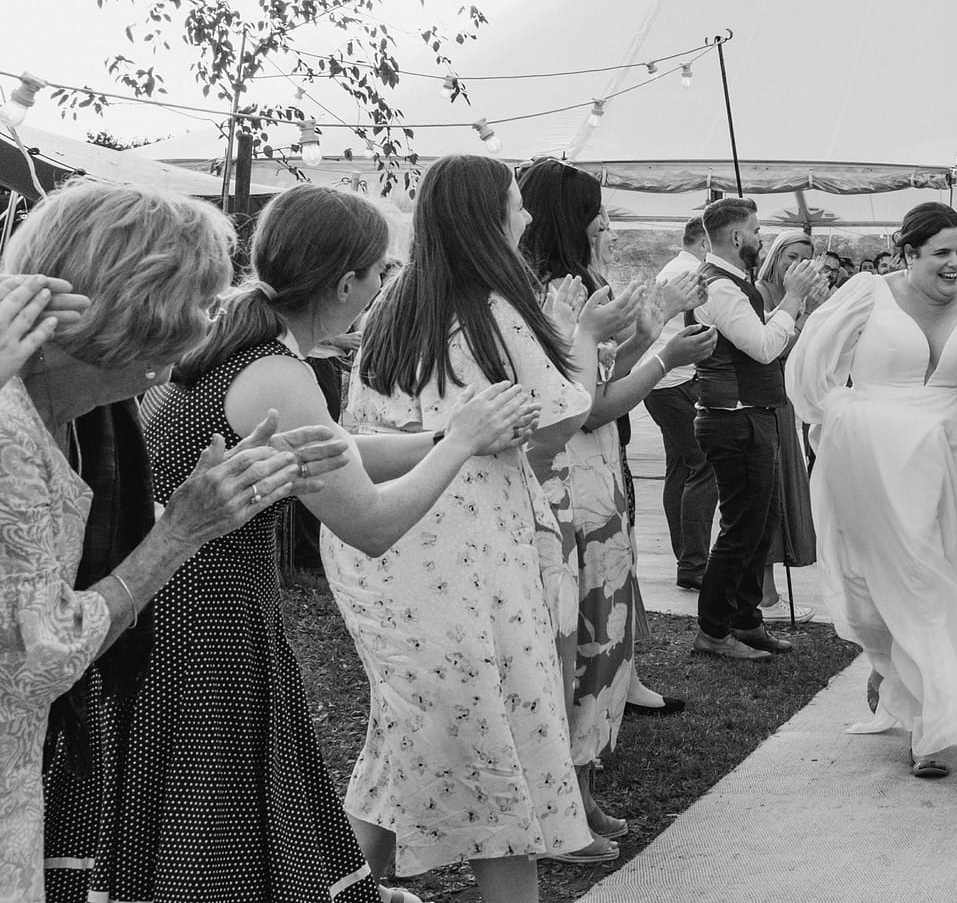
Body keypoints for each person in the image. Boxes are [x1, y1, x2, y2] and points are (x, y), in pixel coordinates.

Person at [43, 183, 535, 903]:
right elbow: (369, 524)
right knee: (209, 829)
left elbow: (331, 451)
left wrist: (437, 438)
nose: (384, 287)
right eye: (381, 272)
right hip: (201, 627)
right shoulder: (276, 372)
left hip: (177, 612)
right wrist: (460, 444)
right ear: (345, 285)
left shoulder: (239, 343)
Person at [1, 182, 338, 903]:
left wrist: (221, 491)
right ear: (146, 316)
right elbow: (45, 654)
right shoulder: (11, 432)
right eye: (204, 302)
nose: (212, 320)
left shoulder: (79, 409)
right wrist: (183, 530)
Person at [323, 155, 649, 899]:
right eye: (515, 203)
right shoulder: (495, 308)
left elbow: (364, 425)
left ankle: (339, 884)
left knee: (414, 724)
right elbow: (562, 418)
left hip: (395, 525)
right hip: (468, 537)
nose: (526, 216)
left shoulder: (395, 302)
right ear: (486, 217)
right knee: (499, 728)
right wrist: (589, 338)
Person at [787, 203, 957, 778]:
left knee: (949, 577)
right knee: (896, 583)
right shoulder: (867, 295)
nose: (956, 263)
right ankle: (908, 691)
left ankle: (923, 714)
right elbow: (811, 368)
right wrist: (842, 423)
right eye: (942, 252)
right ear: (909, 253)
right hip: (875, 458)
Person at [516, 160, 711, 843]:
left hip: (597, 481)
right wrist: (663, 356)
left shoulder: (576, 289)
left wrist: (647, 333)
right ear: (570, 218)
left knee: (604, 639)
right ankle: (566, 800)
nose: (606, 224)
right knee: (586, 641)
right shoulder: (551, 297)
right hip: (569, 484)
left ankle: (583, 789)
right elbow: (589, 407)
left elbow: (598, 378)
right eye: (596, 213)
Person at [689, 198, 827, 661]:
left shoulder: (733, 284)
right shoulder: (720, 287)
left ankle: (746, 620)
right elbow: (764, 347)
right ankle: (714, 629)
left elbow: (760, 336)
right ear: (736, 237)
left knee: (759, 525)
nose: (759, 238)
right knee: (741, 530)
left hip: (750, 415)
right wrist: (793, 299)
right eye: (755, 230)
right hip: (734, 418)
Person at [641, 215, 718, 594]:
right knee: (705, 466)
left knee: (681, 466)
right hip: (677, 380)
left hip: (659, 383)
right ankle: (694, 565)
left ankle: (687, 558)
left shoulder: (673, 268)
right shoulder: (693, 273)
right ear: (704, 243)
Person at [755, 228, 819, 622]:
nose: (797, 265)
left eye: (805, 259)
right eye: (790, 256)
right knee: (768, 499)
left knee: (781, 496)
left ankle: (767, 594)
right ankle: (765, 596)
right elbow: (775, 348)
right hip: (766, 404)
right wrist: (806, 314)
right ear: (775, 257)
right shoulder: (761, 294)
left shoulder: (798, 297)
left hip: (785, 404)